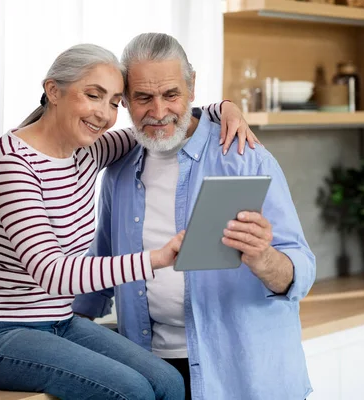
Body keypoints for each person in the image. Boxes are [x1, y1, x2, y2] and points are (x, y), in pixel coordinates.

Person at [0, 42, 259, 400]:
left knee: (169, 383)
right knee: (132, 392)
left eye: (114, 102)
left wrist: (225, 108)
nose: (104, 114)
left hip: (56, 324)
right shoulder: (12, 165)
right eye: (93, 95)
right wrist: (158, 258)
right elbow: (53, 273)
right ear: (53, 91)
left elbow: (160, 120)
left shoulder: (88, 151)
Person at [72, 33, 317, 400]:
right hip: (151, 369)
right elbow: (103, 265)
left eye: (171, 94)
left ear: (192, 87)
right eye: (143, 98)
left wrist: (264, 258)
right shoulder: (119, 169)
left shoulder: (243, 156)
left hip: (240, 375)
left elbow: (301, 272)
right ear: (125, 101)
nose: (158, 112)